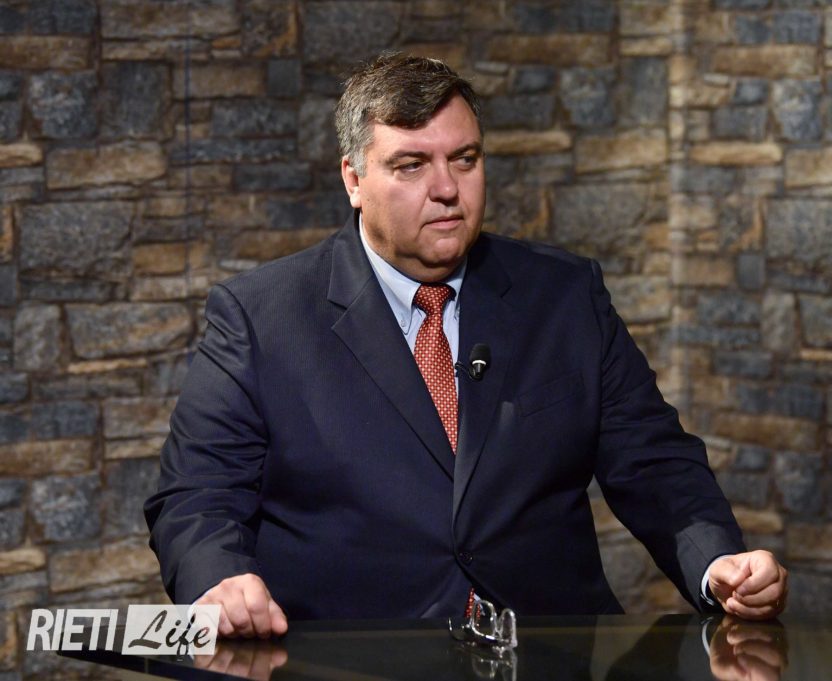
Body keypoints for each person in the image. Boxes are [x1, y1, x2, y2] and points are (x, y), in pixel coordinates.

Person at [144, 52, 788, 640]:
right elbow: (195, 495)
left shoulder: (564, 297)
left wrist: (716, 562)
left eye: (465, 159)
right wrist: (217, 580)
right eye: (411, 165)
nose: (447, 188)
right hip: (355, 658)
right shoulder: (262, 318)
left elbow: (653, 462)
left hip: (547, 657)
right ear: (353, 179)